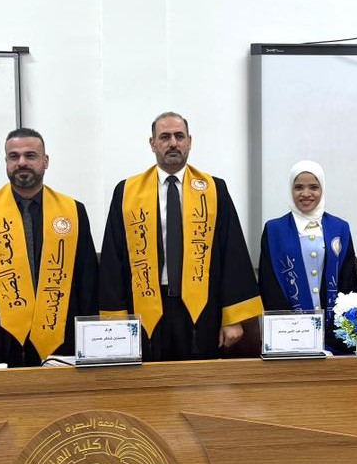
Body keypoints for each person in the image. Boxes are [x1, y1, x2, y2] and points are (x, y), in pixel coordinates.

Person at [99, 112, 263, 361]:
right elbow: (114, 259)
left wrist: (232, 318)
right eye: (165, 137)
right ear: (152, 143)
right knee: (149, 380)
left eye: (179, 136)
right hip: (145, 307)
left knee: (200, 380)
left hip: (203, 309)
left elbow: (232, 253)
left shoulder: (214, 189)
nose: (173, 143)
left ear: (189, 141)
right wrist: (116, 321)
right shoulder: (127, 192)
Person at [0, 128, 98, 366]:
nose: (21, 162)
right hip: (0, 337)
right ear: (6, 162)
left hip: (61, 336)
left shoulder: (73, 211)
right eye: (14, 156)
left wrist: (89, 340)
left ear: (45, 161)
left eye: (30, 155)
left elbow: (87, 281)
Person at [258, 160, 357, 354]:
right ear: (290, 190)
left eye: (313, 187)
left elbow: (348, 282)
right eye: (298, 187)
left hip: (334, 332)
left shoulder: (340, 228)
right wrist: (287, 329)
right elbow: (269, 283)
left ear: (322, 189)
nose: (305, 194)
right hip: (290, 333)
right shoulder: (274, 229)